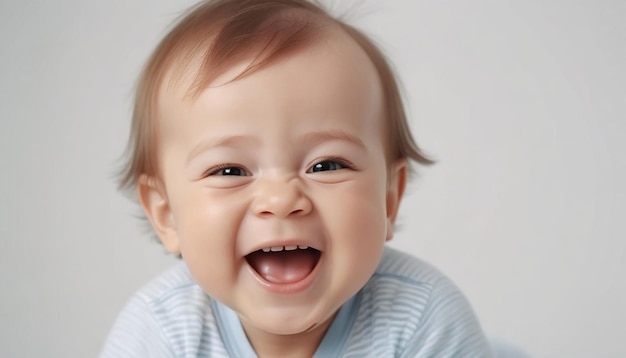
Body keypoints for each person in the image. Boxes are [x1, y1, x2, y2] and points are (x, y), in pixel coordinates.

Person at [101, 0, 493, 356]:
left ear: (389, 198)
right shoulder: (159, 332)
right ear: (166, 214)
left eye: (326, 165)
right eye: (230, 171)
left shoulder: (423, 317)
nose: (281, 199)